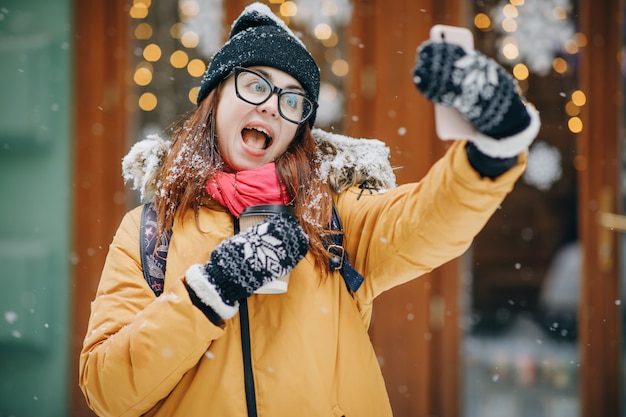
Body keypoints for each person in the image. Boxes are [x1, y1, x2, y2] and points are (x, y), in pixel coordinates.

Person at [79, 3, 540, 416]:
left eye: (292, 99)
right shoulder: (149, 232)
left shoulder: (334, 217)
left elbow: (427, 219)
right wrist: (210, 291)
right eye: (255, 85)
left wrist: (494, 146)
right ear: (215, 98)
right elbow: (107, 391)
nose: (272, 107)